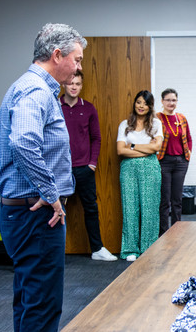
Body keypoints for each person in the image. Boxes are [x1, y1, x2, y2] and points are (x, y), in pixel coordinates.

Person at [0, 23, 86, 332]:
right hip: (36, 214)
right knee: (43, 304)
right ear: (57, 55)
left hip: (25, 211)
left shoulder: (33, 88)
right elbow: (22, 141)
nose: (78, 67)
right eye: (77, 59)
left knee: (30, 298)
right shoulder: (35, 89)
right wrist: (50, 193)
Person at [60, 70, 117, 261]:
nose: (74, 87)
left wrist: (92, 163)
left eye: (77, 83)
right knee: (56, 209)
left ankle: (97, 249)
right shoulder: (54, 106)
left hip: (84, 168)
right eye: (70, 83)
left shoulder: (89, 108)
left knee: (91, 208)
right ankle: (54, 251)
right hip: (60, 170)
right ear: (63, 85)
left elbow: (96, 138)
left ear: (81, 86)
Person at [117, 90, 163, 262]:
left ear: (150, 106)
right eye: (138, 102)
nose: (141, 106)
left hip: (150, 168)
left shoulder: (156, 124)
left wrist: (133, 145)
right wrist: (146, 149)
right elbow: (120, 150)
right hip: (128, 170)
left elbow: (156, 148)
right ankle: (130, 249)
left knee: (149, 208)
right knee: (130, 208)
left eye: (145, 103)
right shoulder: (125, 124)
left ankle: (149, 248)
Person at [156, 88, 192, 236]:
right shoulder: (157, 118)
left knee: (177, 199)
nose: (171, 103)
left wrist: (188, 153)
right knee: (165, 200)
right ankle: (163, 233)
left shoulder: (181, 118)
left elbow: (189, 137)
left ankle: (177, 231)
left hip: (181, 162)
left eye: (174, 100)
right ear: (162, 101)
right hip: (164, 161)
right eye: (168, 100)